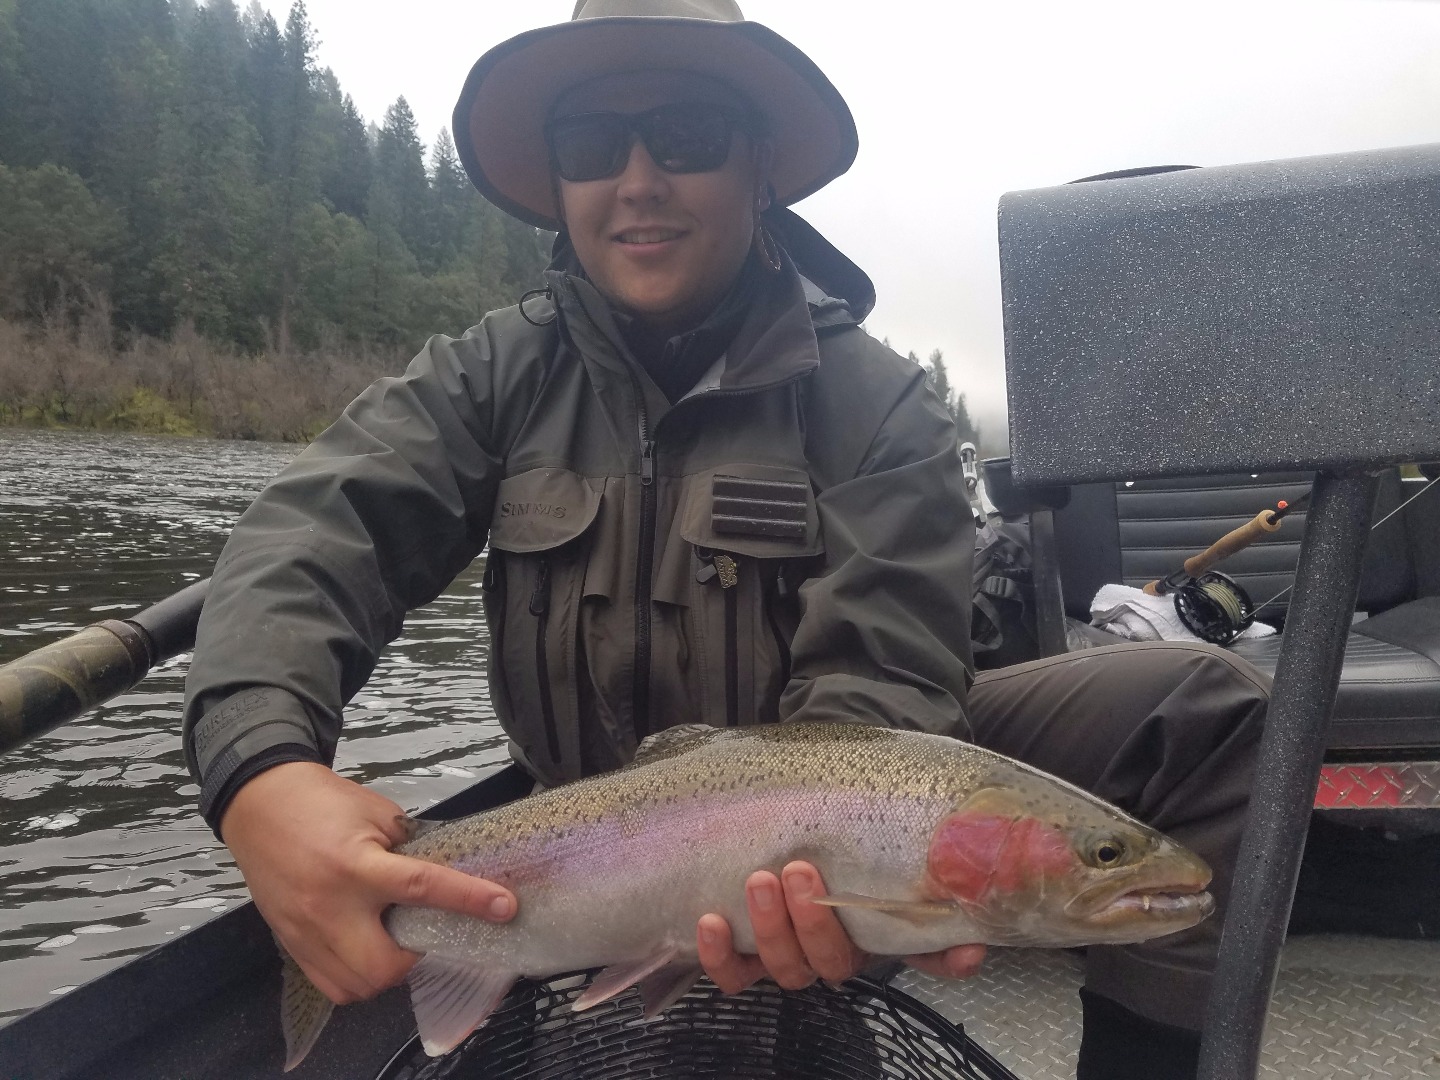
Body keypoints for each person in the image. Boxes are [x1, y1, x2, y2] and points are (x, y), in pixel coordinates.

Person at [181, 3, 1268, 1077]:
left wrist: (824, 869)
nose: (639, 179)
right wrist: (258, 772)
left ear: (760, 169)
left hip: (845, 801)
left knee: (1204, 712)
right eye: (593, 144)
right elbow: (315, 534)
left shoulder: (877, 404)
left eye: (689, 137)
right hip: (590, 814)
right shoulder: (491, 375)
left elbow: (878, 701)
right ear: (561, 184)